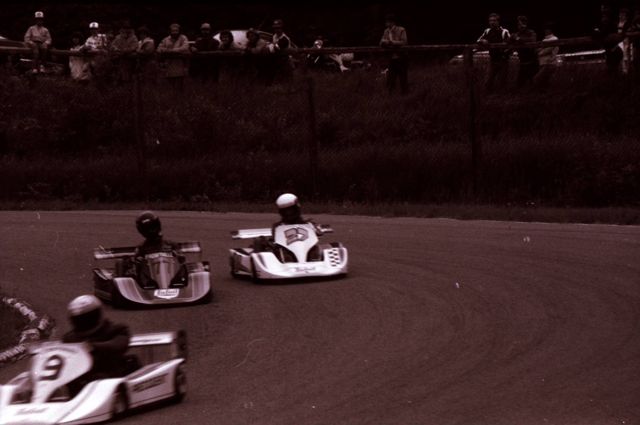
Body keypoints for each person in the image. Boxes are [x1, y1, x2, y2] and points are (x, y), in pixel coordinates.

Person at [62, 295, 131, 385]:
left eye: (87, 318)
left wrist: (93, 346)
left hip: (112, 381)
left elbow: (120, 345)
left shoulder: (117, 329)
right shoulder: (70, 338)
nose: (84, 322)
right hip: (82, 383)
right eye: (80, 319)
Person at [253, 193, 321, 253]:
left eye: (291, 210)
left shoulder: (307, 223)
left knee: (317, 249)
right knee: (260, 242)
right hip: (286, 252)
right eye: (286, 211)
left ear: (297, 208)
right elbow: (276, 242)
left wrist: (317, 229)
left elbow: (318, 232)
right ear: (281, 212)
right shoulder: (278, 226)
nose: (289, 213)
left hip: (307, 249)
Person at [477, 13, 511, 92]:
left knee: (502, 82)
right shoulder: (487, 31)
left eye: (494, 20)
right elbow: (478, 40)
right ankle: (487, 96)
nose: (492, 22)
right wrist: (483, 41)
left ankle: (502, 97)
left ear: (498, 21)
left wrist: (504, 55)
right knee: (488, 81)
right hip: (492, 60)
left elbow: (510, 46)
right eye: (490, 21)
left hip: (503, 60)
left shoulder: (504, 31)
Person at [380, 14, 409, 94]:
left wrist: (392, 42)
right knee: (390, 79)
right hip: (391, 58)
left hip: (401, 57)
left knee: (403, 78)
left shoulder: (401, 30)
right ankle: (391, 96)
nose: (386, 23)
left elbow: (404, 42)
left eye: (387, 21)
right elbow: (381, 42)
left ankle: (405, 95)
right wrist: (385, 42)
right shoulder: (386, 31)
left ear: (392, 22)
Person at [157, 23, 191, 90]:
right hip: (169, 66)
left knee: (180, 86)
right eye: (173, 31)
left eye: (176, 30)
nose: (174, 32)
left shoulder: (183, 38)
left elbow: (185, 47)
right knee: (170, 86)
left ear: (179, 31)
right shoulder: (166, 39)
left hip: (180, 65)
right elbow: (159, 49)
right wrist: (167, 51)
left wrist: (171, 50)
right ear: (170, 31)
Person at [509, 16, 538, 88]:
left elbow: (532, 40)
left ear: (525, 24)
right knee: (519, 84)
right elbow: (508, 41)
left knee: (534, 82)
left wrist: (518, 39)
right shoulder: (517, 34)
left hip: (532, 61)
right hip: (522, 62)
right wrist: (512, 38)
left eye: (522, 24)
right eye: (519, 24)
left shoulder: (531, 32)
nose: (520, 26)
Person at [535, 22, 559, 89]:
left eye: (546, 29)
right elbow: (539, 49)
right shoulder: (544, 39)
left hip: (549, 62)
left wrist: (539, 52)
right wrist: (540, 50)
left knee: (537, 79)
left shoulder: (554, 39)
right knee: (545, 81)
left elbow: (548, 49)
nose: (545, 31)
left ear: (550, 30)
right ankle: (545, 93)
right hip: (542, 62)